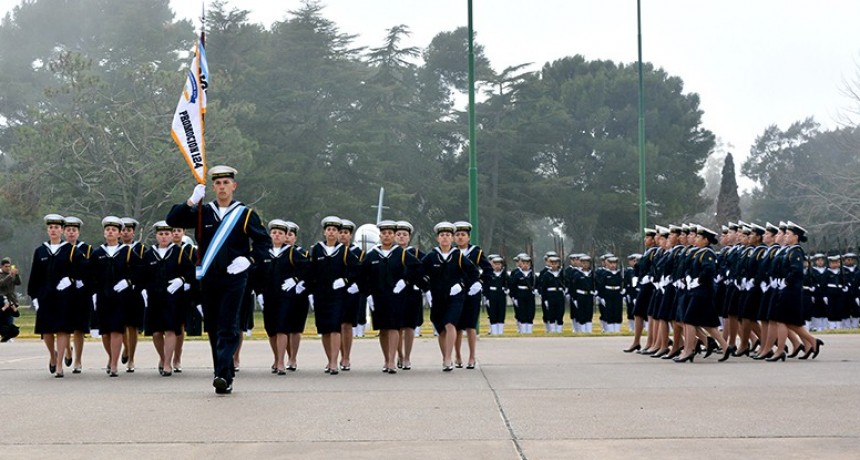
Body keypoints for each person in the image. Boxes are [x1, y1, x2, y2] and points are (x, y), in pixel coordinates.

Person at [166, 165, 271, 394]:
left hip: (235, 278)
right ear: (213, 187)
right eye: (218, 183)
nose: (222, 187)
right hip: (209, 277)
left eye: (226, 183)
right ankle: (222, 373)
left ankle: (223, 373)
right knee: (213, 326)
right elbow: (173, 219)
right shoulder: (204, 212)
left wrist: (249, 260)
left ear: (234, 186)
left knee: (228, 324)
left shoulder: (245, 214)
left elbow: (264, 244)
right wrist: (192, 201)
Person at [358, 220, 422, 373]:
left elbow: (417, 269)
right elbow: (362, 275)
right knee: (383, 329)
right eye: (384, 233)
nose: (387, 236)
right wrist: (367, 294)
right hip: (378, 297)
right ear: (380, 235)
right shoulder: (372, 254)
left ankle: (393, 360)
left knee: (394, 326)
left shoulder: (401, 253)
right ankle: (386, 359)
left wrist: (405, 281)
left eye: (390, 233)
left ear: (393, 236)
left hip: (396, 297)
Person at [28, 214, 85, 378]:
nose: (53, 230)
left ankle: (59, 364)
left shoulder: (71, 250)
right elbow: (35, 275)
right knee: (46, 331)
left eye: (57, 228)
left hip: (64, 297)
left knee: (62, 330)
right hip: (45, 296)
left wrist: (71, 279)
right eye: (50, 228)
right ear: (48, 230)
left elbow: (84, 270)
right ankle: (53, 356)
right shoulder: (40, 251)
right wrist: (34, 296)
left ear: (62, 230)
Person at [419, 222, 480, 371]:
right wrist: (426, 288)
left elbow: (473, 273)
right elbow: (419, 272)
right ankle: (444, 356)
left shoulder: (458, 256)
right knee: (441, 329)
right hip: (437, 296)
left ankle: (448, 358)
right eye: (442, 235)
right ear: (437, 238)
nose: (445, 238)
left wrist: (462, 285)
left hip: (455, 296)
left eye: (447, 235)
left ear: (452, 239)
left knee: (450, 324)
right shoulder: (431, 257)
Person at [254, 219, 310, 375]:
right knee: (271, 329)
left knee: (282, 328)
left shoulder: (292, 252)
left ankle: (281, 362)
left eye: (280, 233)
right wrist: (258, 292)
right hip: (268, 297)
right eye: (274, 233)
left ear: (286, 236)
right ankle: (276, 357)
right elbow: (256, 274)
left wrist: (296, 280)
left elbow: (307, 268)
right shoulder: (264, 252)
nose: (277, 236)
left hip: (286, 297)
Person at [305, 216, 359, 375]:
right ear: (324, 232)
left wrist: (346, 280)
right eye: (329, 229)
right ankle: (329, 359)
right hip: (321, 295)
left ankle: (335, 362)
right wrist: (309, 291)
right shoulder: (316, 250)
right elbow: (310, 272)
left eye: (335, 230)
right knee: (325, 329)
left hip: (338, 296)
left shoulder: (344, 251)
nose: (331, 232)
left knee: (336, 327)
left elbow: (357, 270)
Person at [141, 221, 195, 376]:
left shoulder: (178, 252)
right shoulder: (149, 254)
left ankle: (167, 363)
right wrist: (143, 289)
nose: (163, 237)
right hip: (154, 297)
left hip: (172, 298)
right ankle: (163, 357)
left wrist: (182, 280)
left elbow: (191, 271)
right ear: (156, 236)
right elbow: (142, 274)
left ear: (172, 235)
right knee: (156, 332)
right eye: (160, 234)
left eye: (167, 234)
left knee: (171, 329)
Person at [90, 216, 142, 377]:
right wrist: (93, 291)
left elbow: (140, 271)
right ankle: (111, 357)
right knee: (105, 332)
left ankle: (114, 365)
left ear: (119, 234)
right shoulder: (97, 253)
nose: (110, 232)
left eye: (114, 230)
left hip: (121, 298)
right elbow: (90, 275)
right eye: (108, 230)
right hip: (103, 297)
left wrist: (128, 281)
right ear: (104, 233)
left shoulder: (127, 252)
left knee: (117, 330)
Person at [452, 221, 492, 368]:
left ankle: (472, 356)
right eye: (457, 235)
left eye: (463, 235)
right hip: (455, 292)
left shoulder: (476, 252)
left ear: (469, 237)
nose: (460, 238)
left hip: (472, 291)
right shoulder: (452, 252)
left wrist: (480, 283)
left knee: (470, 325)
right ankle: (457, 355)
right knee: (456, 326)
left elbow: (488, 270)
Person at [60, 216, 93, 373]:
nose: (71, 233)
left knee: (79, 329)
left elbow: (92, 270)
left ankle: (78, 360)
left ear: (78, 232)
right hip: (64, 293)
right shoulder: (59, 248)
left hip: (81, 294)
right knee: (64, 328)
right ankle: (67, 350)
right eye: (68, 230)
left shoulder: (86, 249)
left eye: (74, 230)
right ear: (63, 232)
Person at [394, 220, 425, 368]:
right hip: (394, 294)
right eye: (398, 234)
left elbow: (422, 271)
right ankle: (399, 354)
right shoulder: (390, 253)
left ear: (409, 237)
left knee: (409, 327)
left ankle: (407, 356)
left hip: (412, 293)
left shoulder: (417, 253)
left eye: (404, 235)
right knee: (397, 327)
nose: (401, 237)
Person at [171, 227, 200, 373]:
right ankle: (166, 358)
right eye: (173, 230)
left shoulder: (190, 250)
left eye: (178, 230)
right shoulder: (164, 249)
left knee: (179, 326)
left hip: (184, 292)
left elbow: (196, 268)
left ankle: (177, 357)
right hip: (166, 292)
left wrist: (189, 281)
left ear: (183, 233)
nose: (176, 233)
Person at [338, 219, 362, 371]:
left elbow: (363, 273)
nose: (342, 236)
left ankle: (346, 357)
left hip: (352, 293)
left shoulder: (358, 253)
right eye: (340, 232)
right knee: (337, 326)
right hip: (335, 293)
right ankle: (338, 356)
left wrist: (356, 285)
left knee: (347, 325)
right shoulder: (332, 251)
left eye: (345, 233)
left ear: (351, 235)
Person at [508, 254, 536, 334]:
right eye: (524, 263)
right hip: (520, 295)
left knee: (530, 312)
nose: (526, 265)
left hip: (529, 295)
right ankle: (523, 331)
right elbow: (512, 286)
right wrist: (514, 297)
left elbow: (536, 284)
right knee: (522, 313)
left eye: (527, 263)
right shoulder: (517, 274)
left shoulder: (532, 274)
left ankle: (529, 331)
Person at [537, 255, 566, 333]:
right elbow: (544, 288)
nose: (554, 265)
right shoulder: (546, 274)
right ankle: (553, 330)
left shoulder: (562, 273)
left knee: (560, 313)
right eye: (552, 263)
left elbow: (566, 283)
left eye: (556, 263)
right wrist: (545, 299)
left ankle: (559, 331)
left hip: (559, 295)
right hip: (550, 296)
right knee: (551, 314)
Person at [484, 255, 509, 335]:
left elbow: (509, 283)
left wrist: (507, 289)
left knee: (501, 312)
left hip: (501, 294)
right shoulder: (489, 274)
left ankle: (500, 331)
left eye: (499, 264)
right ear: (492, 265)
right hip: (492, 294)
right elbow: (486, 286)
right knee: (493, 313)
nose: (497, 266)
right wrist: (486, 297)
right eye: (495, 264)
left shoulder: (504, 274)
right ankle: (494, 331)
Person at [0, 257, 22, 342]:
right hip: (2, 300)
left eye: (9, 266)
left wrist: (16, 275)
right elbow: (2, 284)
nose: (8, 268)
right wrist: (10, 276)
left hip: (11, 300)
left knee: (10, 319)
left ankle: (7, 335)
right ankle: (5, 334)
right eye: (6, 266)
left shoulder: (11, 274)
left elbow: (18, 283)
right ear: (1, 266)